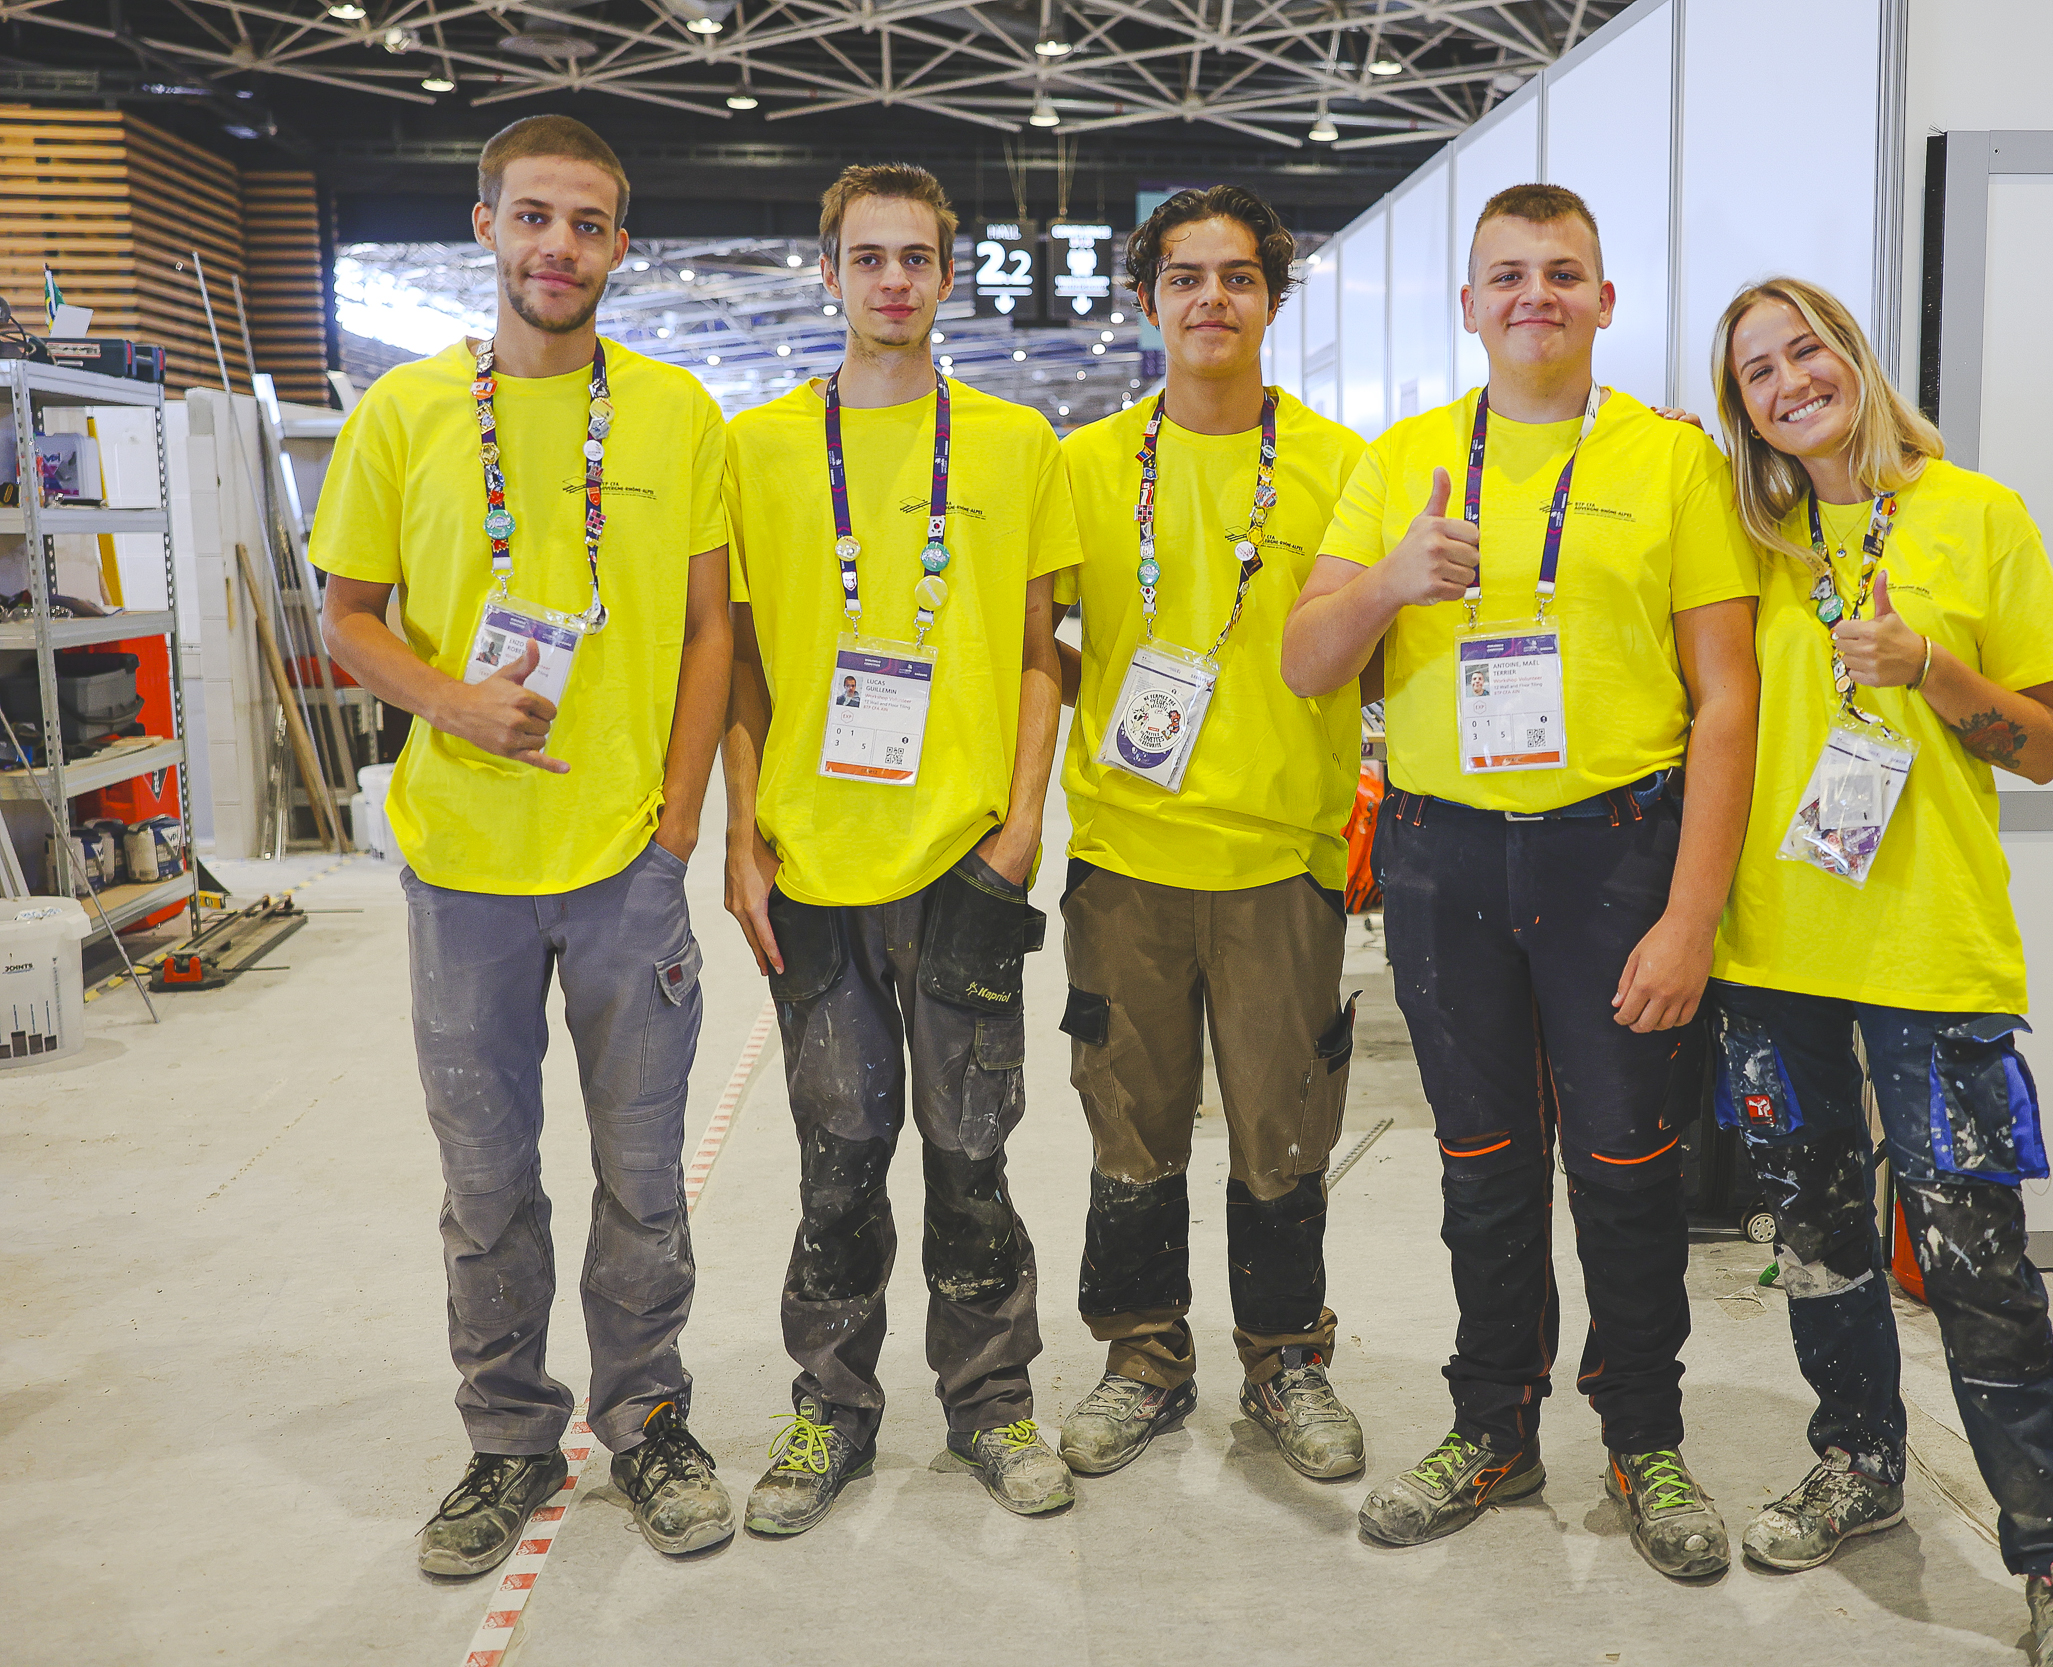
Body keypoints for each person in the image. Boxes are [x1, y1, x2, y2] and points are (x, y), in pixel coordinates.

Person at [1281, 183, 1759, 1576]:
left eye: (1563, 273)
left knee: (1626, 1163)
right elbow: (1310, 661)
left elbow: (1724, 701)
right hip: (1443, 864)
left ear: (1605, 301)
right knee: (1482, 1165)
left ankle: (1644, 1437)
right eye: (1508, 275)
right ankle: (1491, 1423)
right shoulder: (1403, 461)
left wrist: (1690, 913)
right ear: (1471, 303)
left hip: (1617, 855)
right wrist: (1386, 584)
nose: (1534, 295)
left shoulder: (1670, 466)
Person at [315, 115, 736, 1574]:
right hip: (463, 871)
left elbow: (705, 636)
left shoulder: (679, 413)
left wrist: (679, 824)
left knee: (642, 1168)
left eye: (592, 223)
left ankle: (649, 1420)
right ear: (484, 225)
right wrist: (451, 702)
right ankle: (506, 1440)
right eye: (537, 217)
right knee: (487, 1177)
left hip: (625, 868)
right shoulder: (404, 414)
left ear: (622, 245)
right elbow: (349, 614)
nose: (561, 246)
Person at [1704, 275, 2053, 1667]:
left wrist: (1932, 663)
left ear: (1854, 358)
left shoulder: (1976, 512)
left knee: (1975, 1260)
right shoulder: (1747, 538)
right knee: (1817, 1245)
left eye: (1803, 350)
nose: (1787, 382)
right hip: (1774, 952)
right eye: (1756, 371)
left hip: (1932, 954)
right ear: (1741, 408)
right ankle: (1857, 1463)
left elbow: (2046, 745)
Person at [722, 162, 1081, 1533]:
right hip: (812, 864)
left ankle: (992, 1406)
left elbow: (1045, 653)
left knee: (972, 1147)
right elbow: (742, 665)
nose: (890, 280)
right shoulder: (756, 449)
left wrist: (1020, 824)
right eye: (865, 258)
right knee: (840, 1153)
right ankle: (830, 1412)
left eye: (915, 257)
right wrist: (743, 840)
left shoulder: (1011, 443)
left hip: (962, 862)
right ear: (829, 273)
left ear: (948, 274)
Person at [1049, 185, 1372, 1484]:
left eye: (1238, 278)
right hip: (1124, 862)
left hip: (1279, 862)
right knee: (1130, 1132)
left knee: (1281, 1132)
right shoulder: (1084, 466)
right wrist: (1111, 718)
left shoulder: (1345, 466)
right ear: (1148, 301)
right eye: (1185, 278)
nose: (1211, 300)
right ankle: (1141, 1356)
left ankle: (1286, 1359)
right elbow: (1031, 643)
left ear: (1273, 299)